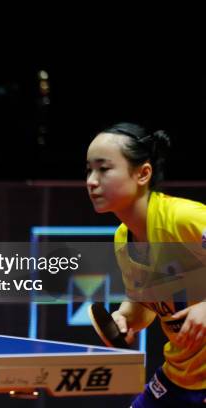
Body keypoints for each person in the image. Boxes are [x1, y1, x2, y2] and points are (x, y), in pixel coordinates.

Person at [85, 122, 206, 407]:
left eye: (104, 169)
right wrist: (126, 318)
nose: (91, 180)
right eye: (89, 170)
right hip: (181, 376)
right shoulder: (123, 241)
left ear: (143, 173)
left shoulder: (184, 219)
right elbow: (144, 303)